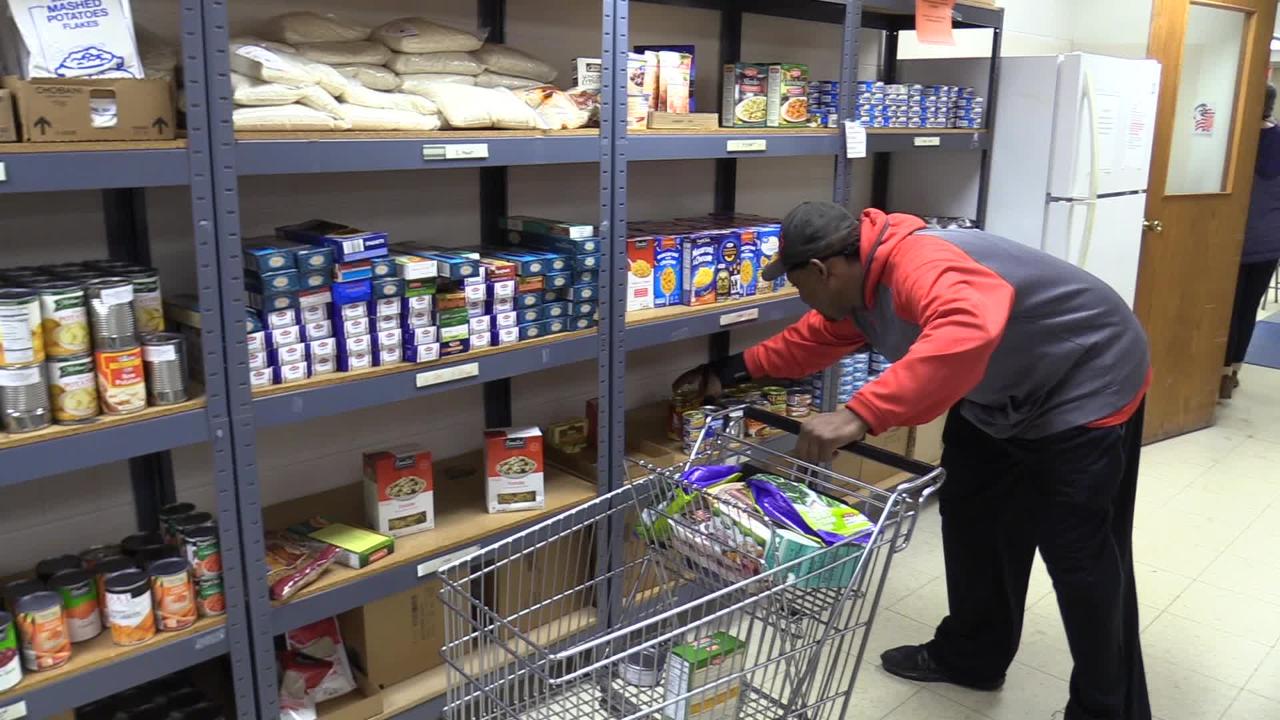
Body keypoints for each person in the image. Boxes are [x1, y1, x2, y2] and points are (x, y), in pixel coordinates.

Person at [676, 201, 1152, 720]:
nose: (800, 297)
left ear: (822, 270)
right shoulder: (860, 290)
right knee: (974, 517)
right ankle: (973, 656)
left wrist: (860, 413)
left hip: (1084, 376)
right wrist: (730, 370)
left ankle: (1107, 709)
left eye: (797, 285)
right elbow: (811, 340)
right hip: (1001, 388)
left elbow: (968, 327)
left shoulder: (917, 263)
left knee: (1078, 553)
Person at [1222, 83, 1280, 399]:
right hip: (1268, 244)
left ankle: (1213, 369)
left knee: (1222, 309)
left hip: (1226, 241)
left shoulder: (1233, 139)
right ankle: (1231, 374)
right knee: (1246, 310)